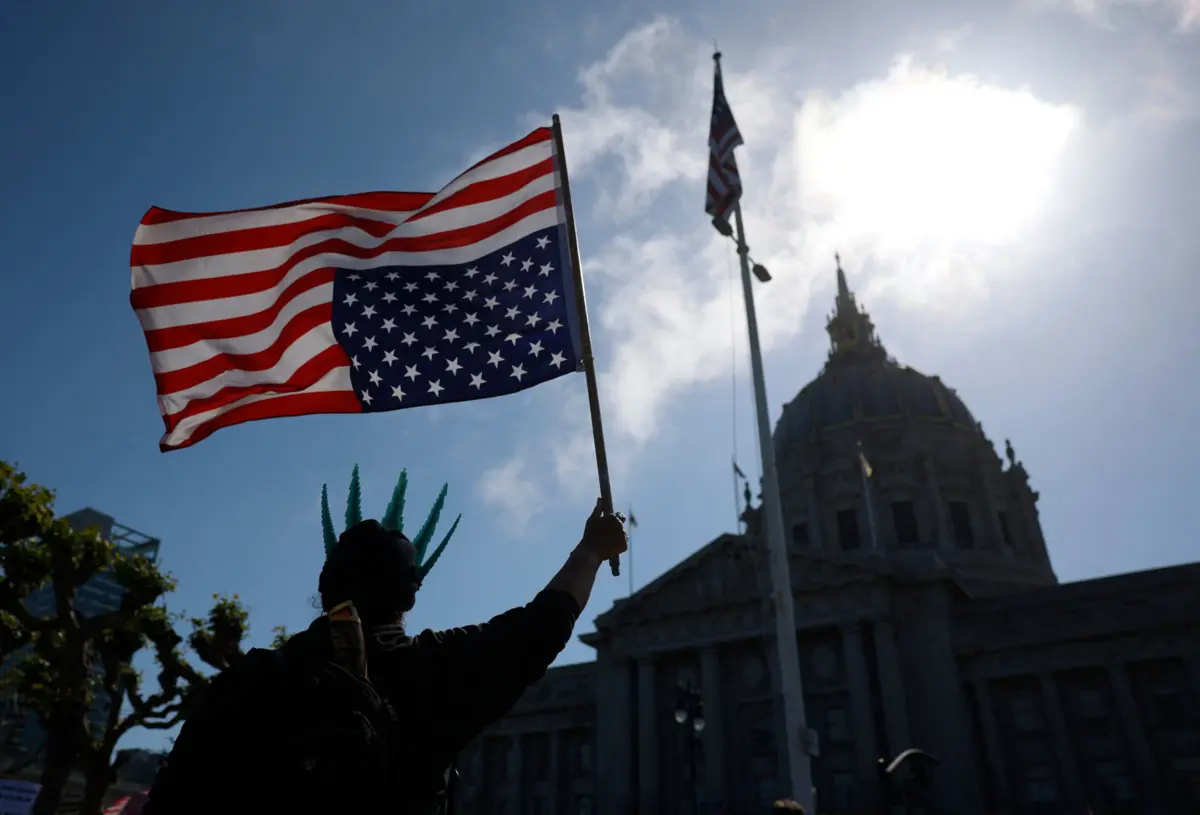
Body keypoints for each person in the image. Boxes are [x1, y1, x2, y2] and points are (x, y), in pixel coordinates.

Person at [143, 466, 627, 815]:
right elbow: (542, 625)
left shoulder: (249, 681)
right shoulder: (434, 672)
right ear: (410, 595)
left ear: (325, 591)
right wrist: (590, 550)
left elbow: (170, 798)